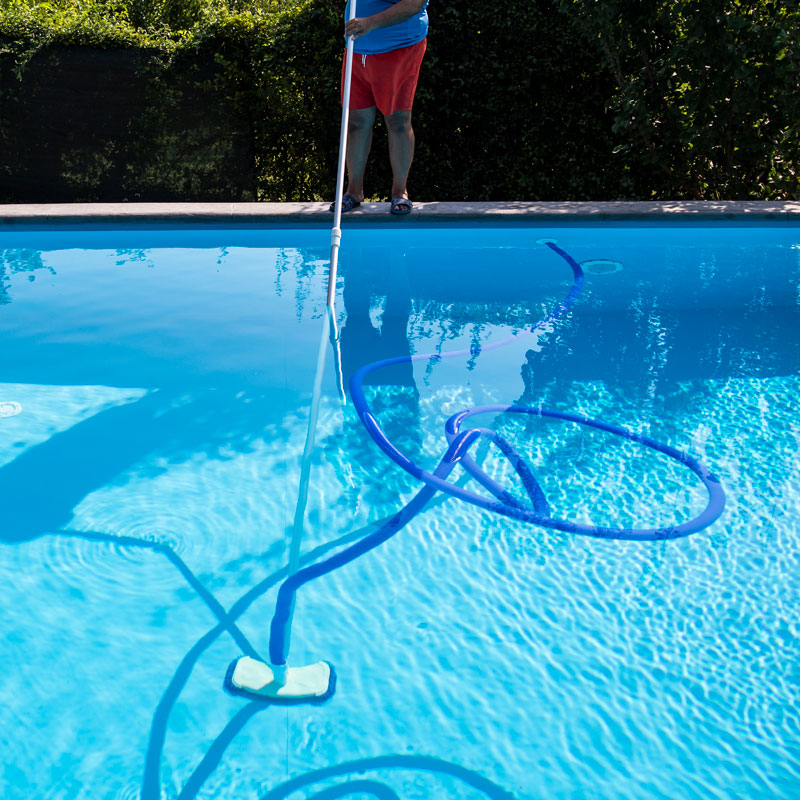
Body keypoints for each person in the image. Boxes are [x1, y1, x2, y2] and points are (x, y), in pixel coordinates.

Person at [330, 0, 429, 216]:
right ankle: (353, 191)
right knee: (356, 122)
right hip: (357, 46)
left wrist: (370, 23)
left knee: (397, 120)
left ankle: (399, 192)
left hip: (399, 48)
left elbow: (413, 4)